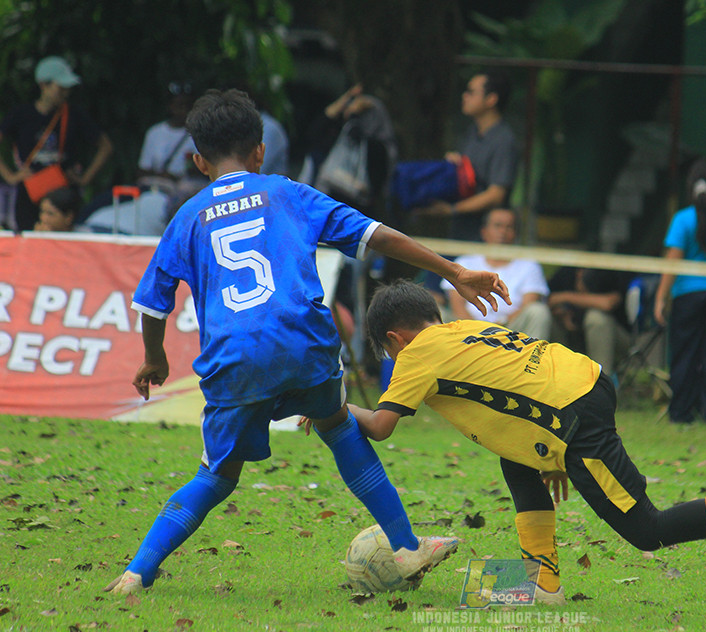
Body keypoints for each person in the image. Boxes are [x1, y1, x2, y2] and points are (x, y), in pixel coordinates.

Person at [102, 89, 511, 595]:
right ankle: (405, 547)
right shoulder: (288, 193)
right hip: (304, 342)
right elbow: (376, 235)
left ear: (198, 160)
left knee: (216, 476)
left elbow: (152, 303)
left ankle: (136, 573)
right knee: (338, 426)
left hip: (234, 359)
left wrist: (155, 358)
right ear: (260, 151)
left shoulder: (187, 216)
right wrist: (453, 271)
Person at [346, 280, 706, 604]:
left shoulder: (415, 356)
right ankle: (542, 579)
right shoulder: (462, 330)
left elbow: (383, 425)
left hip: (573, 416)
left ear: (396, 339)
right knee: (514, 458)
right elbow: (513, 381)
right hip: (583, 382)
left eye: (388, 351)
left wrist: (334, 408)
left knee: (648, 530)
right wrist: (548, 446)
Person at [654, 157, 706, 423]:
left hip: (687, 295)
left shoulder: (682, 219)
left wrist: (660, 298)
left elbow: (674, 260)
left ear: (691, 186)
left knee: (684, 354)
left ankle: (680, 412)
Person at [0, 55, 113, 232]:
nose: (65, 93)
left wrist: (84, 179)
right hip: (29, 193)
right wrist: (10, 176)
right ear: (43, 85)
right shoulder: (21, 114)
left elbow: (105, 146)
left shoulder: (74, 114)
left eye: (67, 89)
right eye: (60, 88)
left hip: (63, 196)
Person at [416, 70, 519, 241]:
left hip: (485, 236)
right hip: (460, 228)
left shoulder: (504, 140)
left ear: (491, 99)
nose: (464, 96)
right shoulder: (472, 132)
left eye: (471, 92)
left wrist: (452, 209)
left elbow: (496, 194)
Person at [441, 207, 551, 339]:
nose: (503, 231)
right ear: (484, 232)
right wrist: (478, 330)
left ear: (516, 234)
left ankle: (532, 359)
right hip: (466, 329)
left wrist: (498, 327)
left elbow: (529, 304)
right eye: (497, 226)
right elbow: (457, 305)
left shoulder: (529, 265)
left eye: (509, 227)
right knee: (435, 312)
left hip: (512, 330)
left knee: (538, 311)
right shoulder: (465, 262)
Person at [301, 83, 397, 217]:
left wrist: (353, 117)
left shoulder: (377, 148)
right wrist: (345, 100)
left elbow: (372, 186)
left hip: (356, 213)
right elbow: (315, 133)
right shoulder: (339, 137)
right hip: (324, 205)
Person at [548, 267, 634, 380]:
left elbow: (608, 303)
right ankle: (555, 378)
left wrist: (565, 297)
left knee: (597, 319)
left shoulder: (608, 271)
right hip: (572, 336)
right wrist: (562, 314)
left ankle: (602, 381)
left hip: (616, 340)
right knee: (546, 316)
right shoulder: (566, 272)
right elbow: (549, 299)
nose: (579, 275)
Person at [137, 81, 198, 190]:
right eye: (179, 106)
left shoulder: (198, 133)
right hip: (159, 186)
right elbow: (143, 170)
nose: (183, 110)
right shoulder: (154, 133)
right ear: (170, 106)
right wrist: (162, 176)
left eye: (187, 106)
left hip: (187, 187)